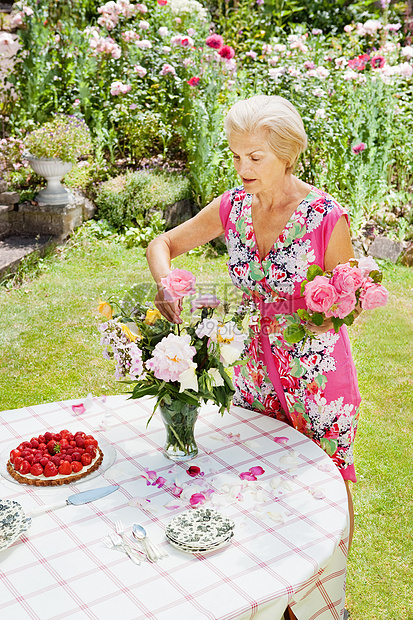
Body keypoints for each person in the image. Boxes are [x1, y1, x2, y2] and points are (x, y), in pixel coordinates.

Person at [146, 94, 360, 561]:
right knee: (258, 485)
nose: (243, 167)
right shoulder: (233, 207)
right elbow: (162, 242)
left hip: (315, 379)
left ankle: (327, 591)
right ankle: (268, 587)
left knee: (324, 485)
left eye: (255, 157)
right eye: (237, 155)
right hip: (252, 375)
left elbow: (349, 304)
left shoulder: (325, 217)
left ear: (287, 154)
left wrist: (320, 310)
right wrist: (166, 282)